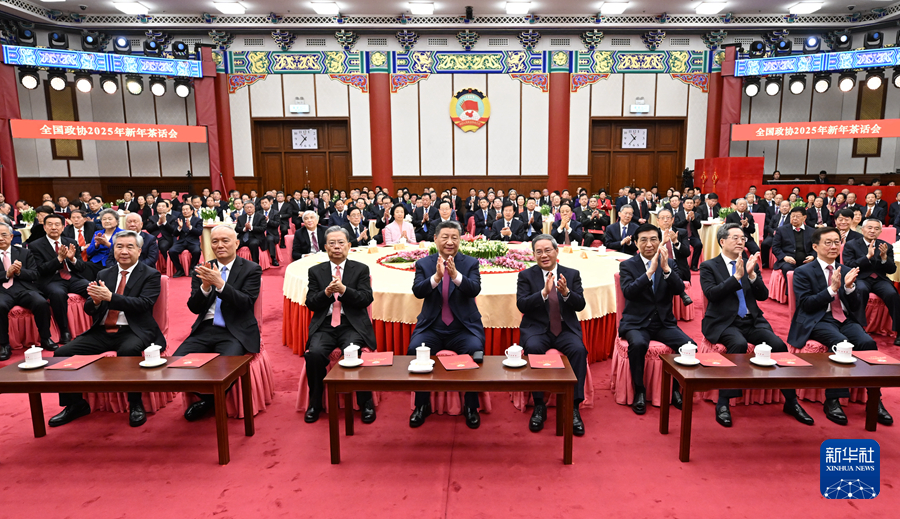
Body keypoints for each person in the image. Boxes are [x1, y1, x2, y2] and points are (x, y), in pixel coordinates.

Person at [699, 223, 813, 427]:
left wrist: (751, 276)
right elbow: (712, 295)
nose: (741, 241)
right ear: (722, 241)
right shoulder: (709, 266)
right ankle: (724, 402)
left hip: (751, 320)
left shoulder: (750, 264)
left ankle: (791, 401)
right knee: (738, 344)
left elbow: (762, 296)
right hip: (723, 321)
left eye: (743, 238)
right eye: (735, 237)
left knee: (778, 346)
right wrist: (736, 277)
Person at [49, 231, 165, 428]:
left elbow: (144, 304)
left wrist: (111, 297)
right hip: (102, 330)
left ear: (139, 250)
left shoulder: (150, 274)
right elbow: (89, 309)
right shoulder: (104, 273)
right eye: (119, 246)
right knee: (62, 352)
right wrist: (95, 302)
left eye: (129, 247)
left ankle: (135, 403)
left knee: (128, 351)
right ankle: (75, 404)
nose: (124, 251)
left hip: (134, 330)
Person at [787, 227, 892, 426]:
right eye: (828, 242)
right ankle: (833, 399)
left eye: (837, 242)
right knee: (841, 344)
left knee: (868, 343)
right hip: (817, 319)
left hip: (844, 318)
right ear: (815, 246)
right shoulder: (803, 272)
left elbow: (854, 307)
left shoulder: (845, 269)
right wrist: (832, 289)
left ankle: (875, 399)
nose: (834, 246)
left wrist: (850, 288)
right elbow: (806, 304)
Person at [174, 226, 263, 422]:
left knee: (225, 370)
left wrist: (221, 285)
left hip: (235, 330)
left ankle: (207, 402)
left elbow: (246, 302)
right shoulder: (203, 269)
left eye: (225, 240)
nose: (220, 245)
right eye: (215, 241)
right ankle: (210, 399)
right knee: (175, 366)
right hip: (205, 328)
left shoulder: (251, 268)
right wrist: (205, 287)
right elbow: (194, 308)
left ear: (237, 243)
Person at [407, 220, 484, 429]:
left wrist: (455, 276)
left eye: (455, 238)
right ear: (435, 239)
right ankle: (421, 405)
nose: (450, 242)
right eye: (445, 237)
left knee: (475, 350)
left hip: (463, 328)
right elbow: (418, 291)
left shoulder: (470, 263)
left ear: (461, 240)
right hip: (433, 328)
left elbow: (474, 289)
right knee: (416, 350)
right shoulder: (424, 264)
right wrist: (437, 277)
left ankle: (471, 406)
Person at [303, 226, 377, 424]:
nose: (337, 247)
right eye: (332, 243)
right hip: (325, 324)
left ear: (349, 246)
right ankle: (315, 403)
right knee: (315, 354)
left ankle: (365, 402)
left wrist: (344, 290)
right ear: (325, 247)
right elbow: (310, 302)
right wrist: (326, 293)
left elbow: (365, 299)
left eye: (341, 243)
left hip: (351, 324)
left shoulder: (360, 269)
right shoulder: (315, 271)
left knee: (354, 352)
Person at [516, 234, 587, 436]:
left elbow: (580, 304)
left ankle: (574, 407)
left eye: (548, 250)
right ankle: (539, 404)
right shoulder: (526, 276)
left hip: (565, 329)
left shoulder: (571, 274)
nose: (544, 255)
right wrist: (543, 293)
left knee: (578, 350)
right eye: (539, 252)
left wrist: (565, 293)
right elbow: (521, 304)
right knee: (533, 348)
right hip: (537, 329)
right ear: (534, 255)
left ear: (557, 251)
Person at [618, 223, 691, 415]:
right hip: (637, 322)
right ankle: (639, 390)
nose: (649, 244)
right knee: (639, 344)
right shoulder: (627, 265)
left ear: (660, 241)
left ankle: (675, 389)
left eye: (653, 239)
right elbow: (629, 292)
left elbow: (679, 290)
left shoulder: (670, 262)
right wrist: (650, 272)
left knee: (688, 346)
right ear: (635, 243)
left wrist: (665, 269)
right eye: (643, 240)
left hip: (663, 322)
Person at [0, 222, 57, 361]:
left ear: (12, 236)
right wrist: (7, 274)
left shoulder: (24, 252)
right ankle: (3, 344)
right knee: (0, 306)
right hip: (2, 290)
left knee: (41, 303)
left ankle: (45, 338)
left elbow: (34, 274)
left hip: (23, 289)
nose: (1, 238)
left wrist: (19, 272)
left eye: (4, 234)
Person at [31, 214, 90, 345]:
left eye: (57, 224)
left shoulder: (71, 242)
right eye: (50, 224)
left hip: (73, 277)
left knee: (91, 288)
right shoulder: (35, 245)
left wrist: (72, 259)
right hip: (51, 280)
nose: (54, 227)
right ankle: (65, 331)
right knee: (57, 294)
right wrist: (58, 259)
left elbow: (82, 267)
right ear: (44, 227)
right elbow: (39, 270)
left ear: (63, 227)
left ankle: (97, 324)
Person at [842, 218, 900, 346]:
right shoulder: (851, 245)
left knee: (892, 294)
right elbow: (849, 265)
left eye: (876, 228)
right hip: (860, 277)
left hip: (879, 279)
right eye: (869, 228)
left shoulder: (886, 246)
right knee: (861, 290)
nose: (872, 231)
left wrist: (884, 258)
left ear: (880, 231)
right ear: (862, 229)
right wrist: (867, 257)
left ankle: (899, 331)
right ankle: (858, 328)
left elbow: (891, 270)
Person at [772, 206, 815, 290]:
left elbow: (818, 248)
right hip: (788, 261)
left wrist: (813, 256)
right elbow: (775, 247)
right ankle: (792, 293)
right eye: (792, 216)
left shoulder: (812, 231)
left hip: (807, 260)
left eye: (797, 216)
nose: (794, 218)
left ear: (804, 217)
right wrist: (785, 257)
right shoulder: (781, 230)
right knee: (787, 269)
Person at [167, 204, 202, 278]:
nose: (185, 211)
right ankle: (180, 270)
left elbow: (199, 232)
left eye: (187, 209)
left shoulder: (198, 220)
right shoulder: (179, 219)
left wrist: (190, 227)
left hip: (193, 241)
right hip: (181, 241)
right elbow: (175, 234)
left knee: (197, 251)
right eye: (183, 210)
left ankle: (192, 268)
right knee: (171, 251)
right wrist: (179, 227)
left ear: (192, 211)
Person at [85, 209, 122, 278]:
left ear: (117, 221)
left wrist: (107, 243)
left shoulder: (122, 234)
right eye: (104, 219)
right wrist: (97, 245)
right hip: (96, 262)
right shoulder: (98, 233)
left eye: (110, 219)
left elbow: (121, 250)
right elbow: (89, 252)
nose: (107, 221)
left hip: (112, 263)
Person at [656, 208, 691, 282]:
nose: (665, 220)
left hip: (678, 264)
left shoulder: (681, 232)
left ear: (672, 220)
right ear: (657, 220)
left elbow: (687, 253)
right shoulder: (653, 234)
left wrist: (676, 242)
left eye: (668, 218)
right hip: (659, 264)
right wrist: (662, 243)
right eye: (662, 218)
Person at [674, 197, 702, 270]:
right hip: (681, 236)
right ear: (683, 205)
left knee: (699, 244)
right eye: (687, 203)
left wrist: (693, 219)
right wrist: (686, 220)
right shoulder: (678, 214)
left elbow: (698, 226)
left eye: (691, 203)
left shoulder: (697, 215)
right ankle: (679, 264)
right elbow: (676, 225)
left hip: (692, 236)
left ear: (693, 205)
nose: (689, 205)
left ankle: (694, 265)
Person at [761, 200, 791, 268]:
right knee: (764, 244)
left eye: (786, 206)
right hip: (774, 235)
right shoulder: (775, 216)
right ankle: (765, 262)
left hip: (786, 236)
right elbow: (768, 227)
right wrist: (773, 232)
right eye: (782, 206)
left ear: (790, 207)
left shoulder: (791, 217)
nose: (784, 208)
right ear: (779, 208)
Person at [258, 197, 281, 266]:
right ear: (261, 205)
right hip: (260, 233)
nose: (264, 204)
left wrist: (268, 220)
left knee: (269, 239)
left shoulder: (276, 212)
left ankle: (273, 258)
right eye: (262, 203)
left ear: (270, 203)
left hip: (272, 234)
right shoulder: (258, 213)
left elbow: (277, 224)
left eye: (266, 202)